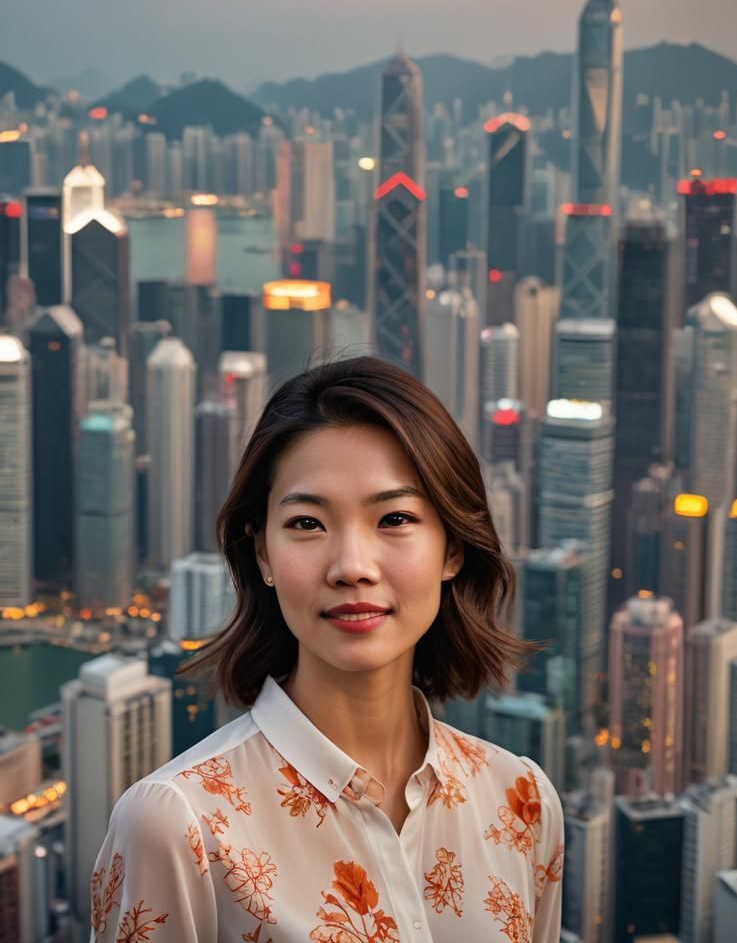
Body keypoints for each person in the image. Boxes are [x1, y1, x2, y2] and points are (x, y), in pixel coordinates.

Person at [89, 355, 563, 942]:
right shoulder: (175, 824)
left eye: (394, 517)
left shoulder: (521, 799)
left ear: (452, 549)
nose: (352, 568)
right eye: (308, 524)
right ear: (261, 553)